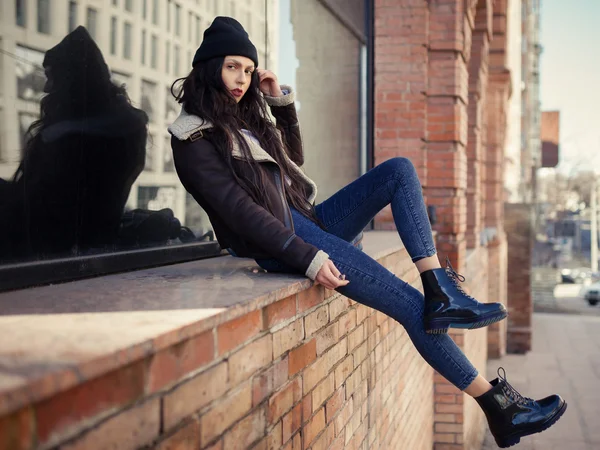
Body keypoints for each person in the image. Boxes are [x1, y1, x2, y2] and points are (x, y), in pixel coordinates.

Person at [169, 17, 566, 448]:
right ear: (210, 67)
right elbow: (240, 211)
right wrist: (306, 257)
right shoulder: (192, 137)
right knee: (413, 309)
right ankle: (500, 407)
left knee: (399, 171)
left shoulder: (244, 117)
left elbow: (294, 160)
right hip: (281, 241)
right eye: (232, 67)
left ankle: (439, 286)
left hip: (307, 217)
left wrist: (278, 104)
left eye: (247, 69)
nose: (241, 79)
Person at [0, 26, 148, 262]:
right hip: (92, 254)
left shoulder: (70, 141)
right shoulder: (124, 130)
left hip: (49, 260)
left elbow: (41, 211)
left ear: (71, 78)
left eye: (51, 76)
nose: (47, 88)